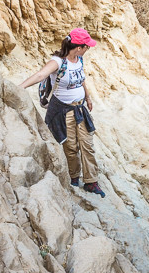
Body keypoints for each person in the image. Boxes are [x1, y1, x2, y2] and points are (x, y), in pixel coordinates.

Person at [20, 27, 105, 198]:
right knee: (70, 146)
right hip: (64, 111)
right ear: (79, 47)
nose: (88, 49)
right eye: (86, 46)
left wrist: (87, 98)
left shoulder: (79, 60)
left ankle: (91, 181)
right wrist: (18, 88)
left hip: (80, 108)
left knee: (87, 145)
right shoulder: (58, 62)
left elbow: (81, 80)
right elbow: (39, 75)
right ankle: (74, 177)